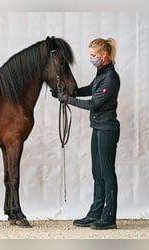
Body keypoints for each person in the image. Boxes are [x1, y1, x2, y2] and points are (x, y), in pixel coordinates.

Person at [56, 38, 120, 230]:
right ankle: (96, 212)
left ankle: (109, 217)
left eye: (93, 55)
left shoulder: (111, 78)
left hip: (107, 129)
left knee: (107, 173)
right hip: (98, 128)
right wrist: (71, 92)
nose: (91, 58)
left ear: (104, 55)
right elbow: (91, 90)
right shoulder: (101, 73)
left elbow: (93, 104)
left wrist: (67, 100)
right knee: (97, 172)